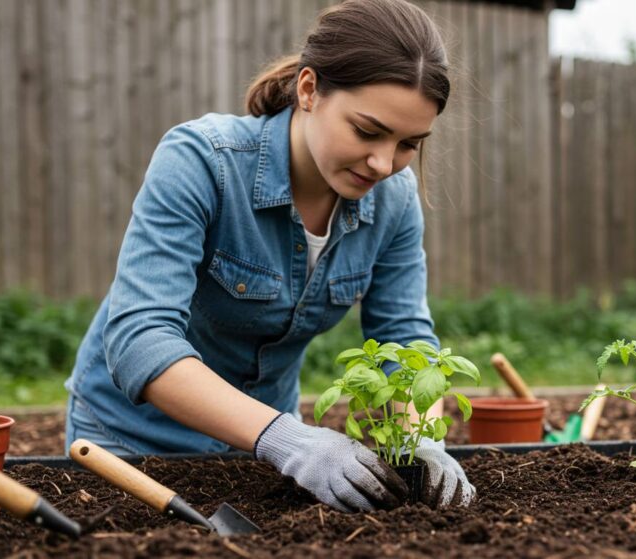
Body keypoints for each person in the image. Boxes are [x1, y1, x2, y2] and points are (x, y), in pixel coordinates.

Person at [63, 0, 474, 512]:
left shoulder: (393, 198)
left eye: (410, 143)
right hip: (133, 445)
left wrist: (421, 443)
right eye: (367, 131)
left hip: (262, 454)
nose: (384, 163)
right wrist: (291, 440)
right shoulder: (202, 162)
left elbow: (404, 342)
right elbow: (139, 341)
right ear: (308, 90)